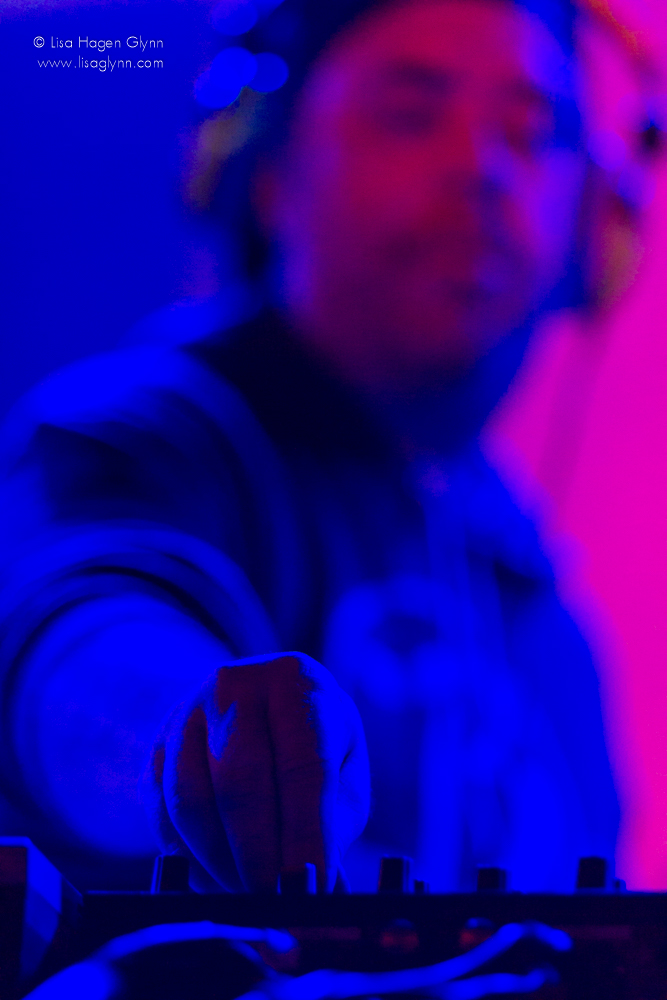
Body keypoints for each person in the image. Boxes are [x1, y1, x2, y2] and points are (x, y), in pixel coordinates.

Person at [0, 0, 645, 894]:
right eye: (411, 113)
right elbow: (73, 639)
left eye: (530, 132)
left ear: (591, 225)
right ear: (266, 169)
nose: (482, 167)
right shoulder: (138, 438)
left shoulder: (535, 604)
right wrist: (183, 735)